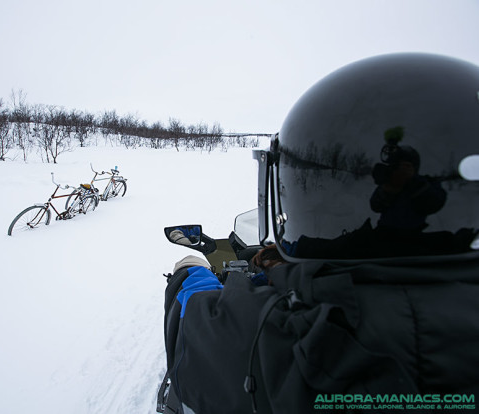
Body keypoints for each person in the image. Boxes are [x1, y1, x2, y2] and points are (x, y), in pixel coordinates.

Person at [160, 53, 479, 414]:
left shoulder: (281, 334)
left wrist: (190, 269)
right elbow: (383, 226)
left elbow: (196, 321)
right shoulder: (427, 217)